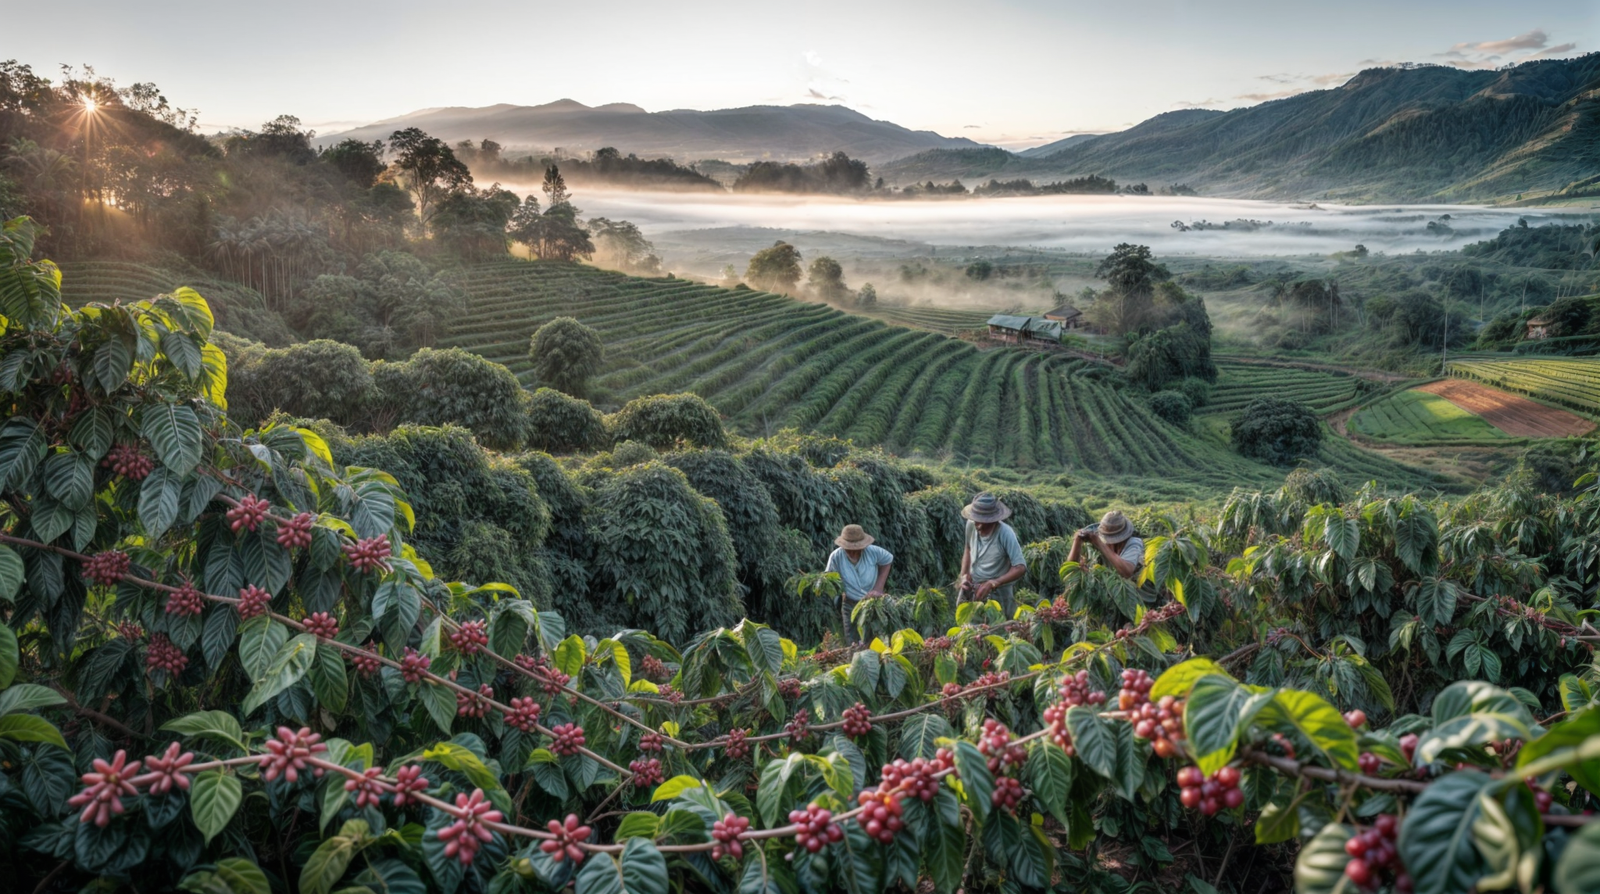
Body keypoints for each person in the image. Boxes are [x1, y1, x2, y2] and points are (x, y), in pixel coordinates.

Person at [958, 493, 1027, 617]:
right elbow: (968, 548)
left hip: (999, 592)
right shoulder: (970, 525)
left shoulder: (1005, 533)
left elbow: (1020, 567)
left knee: (999, 626)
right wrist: (964, 575)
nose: (978, 525)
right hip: (973, 586)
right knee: (968, 627)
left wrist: (993, 583)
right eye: (976, 519)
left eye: (983, 521)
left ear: (993, 520)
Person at [824, 524, 893, 644]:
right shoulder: (836, 557)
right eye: (848, 549)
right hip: (850, 604)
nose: (852, 553)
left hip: (872, 603)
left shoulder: (873, 552)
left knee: (875, 640)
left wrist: (878, 588)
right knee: (853, 642)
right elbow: (830, 579)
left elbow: (888, 560)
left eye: (856, 549)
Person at [1068, 510, 1145, 580]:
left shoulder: (1134, 543)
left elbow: (1127, 572)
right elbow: (1070, 569)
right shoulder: (1093, 540)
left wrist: (1099, 543)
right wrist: (1077, 542)